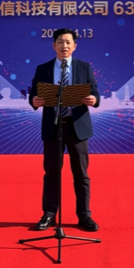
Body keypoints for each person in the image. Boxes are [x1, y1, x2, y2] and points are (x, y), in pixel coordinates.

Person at [28, 28, 101, 232]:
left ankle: (84, 216)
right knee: (52, 173)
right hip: (54, 126)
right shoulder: (43, 69)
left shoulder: (84, 67)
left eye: (68, 42)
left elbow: (95, 92)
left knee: (81, 174)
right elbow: (33, 94)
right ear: (54, 45)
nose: (64, 46)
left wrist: (94, 99)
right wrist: (34, 101)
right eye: (60, 42)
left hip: (77, 127)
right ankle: (49, 214)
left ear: (75, 46)